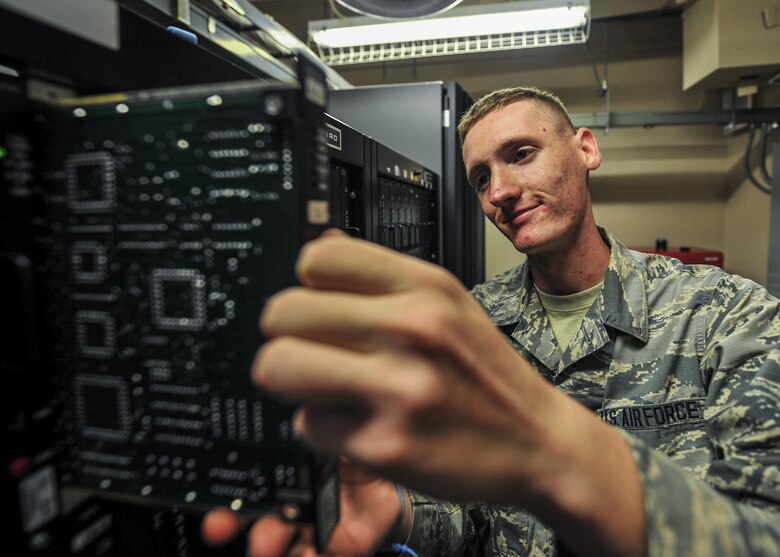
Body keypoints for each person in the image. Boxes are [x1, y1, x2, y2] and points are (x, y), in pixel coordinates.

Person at [202, 87, 780, 557]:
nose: (499, 191)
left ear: (586, 149)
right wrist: (396, 511)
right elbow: (471, 524)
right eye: (481, 178)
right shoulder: (473, 322)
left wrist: (561, 458)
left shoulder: (727, 314)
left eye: (521, 154)